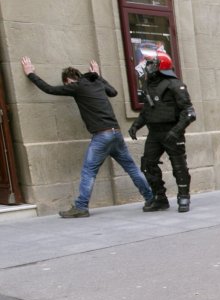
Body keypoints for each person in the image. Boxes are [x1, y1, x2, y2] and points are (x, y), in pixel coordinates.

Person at [20, 57, 154, 218]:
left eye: (67, 85)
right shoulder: (96, 82)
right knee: (131, 168)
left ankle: (81, 207)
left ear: (69, 81)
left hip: (102, 135)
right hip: (116, 133)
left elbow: (49, 89)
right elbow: (113, 92)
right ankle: (150, 198)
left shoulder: (76, 86)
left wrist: (31, 74)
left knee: (89, 171)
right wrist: (98, 75)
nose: (67, 87)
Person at [128, 50, 196, 213]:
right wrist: (136, 125)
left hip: (172, 131)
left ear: (161, 66)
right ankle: (160, 198)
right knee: (148, 164)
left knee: (179, 166)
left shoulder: (174, 84)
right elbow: (147, 110)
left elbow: (189, 112)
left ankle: (183, 197)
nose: (148, 66)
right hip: (154, 133)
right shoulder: (149, 84)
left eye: (152, 63)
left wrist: (176, 131)